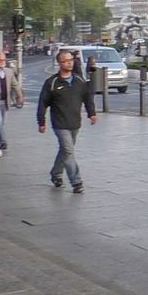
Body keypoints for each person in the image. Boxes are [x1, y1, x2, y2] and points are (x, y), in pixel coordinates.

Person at [37, 50, 97, 193]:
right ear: (59, 63)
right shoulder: (52, 82)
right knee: (69, 151)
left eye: (71, 60)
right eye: (65, 61)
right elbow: (42, 103)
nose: (69, 63)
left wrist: (92, 114)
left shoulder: (79, 80)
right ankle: (76, 182)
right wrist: (41, 121)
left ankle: (56, 174)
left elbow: (87, 98)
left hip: (75, 122)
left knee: (65, 152)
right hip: (59, 123)